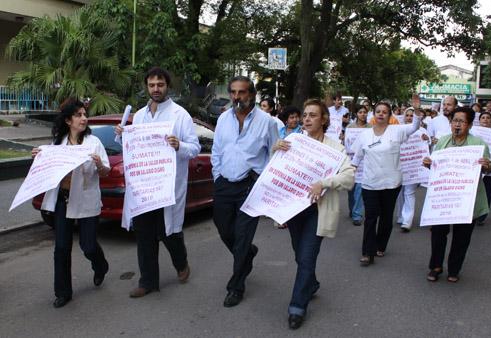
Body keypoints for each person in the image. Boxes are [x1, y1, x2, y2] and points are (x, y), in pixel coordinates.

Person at [115, 67, 201, 298]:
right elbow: (135, 147)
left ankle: (181, 263)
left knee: (168, 232)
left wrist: (178, 145)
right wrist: (124, 134)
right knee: (143, 234)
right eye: (151, 85)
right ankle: (148, 281)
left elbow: (194, 148)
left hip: (167, 187)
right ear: (146, 87)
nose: (156, 89)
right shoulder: (140, 115)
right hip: (144, 187)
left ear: (167, 86)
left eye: (160, 85)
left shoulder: (179, 115)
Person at [273, 98, 354, 329]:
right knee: (300, 256)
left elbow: (349, 177)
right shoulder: (294, 142)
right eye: (305, 115)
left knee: (307, 257)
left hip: (317, 211)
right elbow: (277, 171)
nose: (306, 119)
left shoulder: (335, 148)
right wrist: (275, 150)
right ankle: (312, 283)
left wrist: (324, 182)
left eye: (312, 115)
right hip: (294, 210)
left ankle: (297, 307)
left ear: (324, 119)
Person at [33, 98, 110, 308]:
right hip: (62, 200)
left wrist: (99, 164)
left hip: (86, 200)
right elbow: (49, 168)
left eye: (85, 115)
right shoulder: (58, 143)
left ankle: (100, 265)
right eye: (79, 115)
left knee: (88, 245)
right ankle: (63, 292)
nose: (84, 118)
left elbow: (106, 171)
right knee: (61, 248)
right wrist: (39, 157)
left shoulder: (94, 143)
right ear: (68, 120)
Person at [211, 76, 278, 307]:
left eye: (242, 92)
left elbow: (274, 154)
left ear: (252, 94)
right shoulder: (222, 119)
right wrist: (217, 176)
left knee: (241, 237)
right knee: (224, 231)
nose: (237, 97)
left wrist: (264, 183)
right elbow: (217, 151)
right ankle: (248, 253)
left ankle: (236, 287)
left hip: (250, 186)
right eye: (234, 92)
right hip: (224, 184)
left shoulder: (267, 122)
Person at [423, 107, 491, 283]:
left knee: (462, 237)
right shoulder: (443, 142)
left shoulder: (478, 144)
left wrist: (486, 166)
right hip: (444, 197)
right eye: (455, 120)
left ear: (469, 125)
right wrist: (428, 163)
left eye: (461, 121)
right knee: (438, 233)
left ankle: (454, 268)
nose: (457, 124)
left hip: (467, 198)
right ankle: (435, 266)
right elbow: (436, 166)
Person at [352, 99, 422, 266]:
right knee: (370, 217)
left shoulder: (397, 131)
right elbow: (356, 157)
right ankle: (367, 252)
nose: (381, 114)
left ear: (390, 115)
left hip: (391, 183)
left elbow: (414, 127)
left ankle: (380, 245)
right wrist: (349, 170)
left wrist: (417, 110)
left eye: (384, 112)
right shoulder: (364, 135)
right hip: (370, 183)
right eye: (378, 111)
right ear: (373, 115)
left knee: (386, 217)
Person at [396, 107, 429, 232]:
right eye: (407, 115)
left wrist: (428, 140)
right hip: (400, 166)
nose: (409, 117)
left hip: (414, 168)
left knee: (409, 192)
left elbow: (426, 147)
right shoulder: (399, 130)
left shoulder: (422, 131)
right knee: (399, 193)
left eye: (412, 115)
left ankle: (407, 221)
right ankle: (400, 216)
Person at [346, 106, 371, 226]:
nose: (362, 114)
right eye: (360, 112)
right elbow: (345, 143)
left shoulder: (371, 128)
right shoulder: (350, 127)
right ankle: (352, 209)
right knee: (351, 188)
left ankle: (357, 214)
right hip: (351, 160)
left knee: (359, 189)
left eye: (364, 112)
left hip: (365, 162)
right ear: (356, 114)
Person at [473, 112, 491, 226]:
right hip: (475, 165)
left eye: (488, 118)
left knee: (487, 191)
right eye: (483, 117)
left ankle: (482, 216)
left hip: (490, 168)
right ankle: (471, 212)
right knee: (473, 191)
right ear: (479, 120)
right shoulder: (473, 131)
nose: (485, 119)